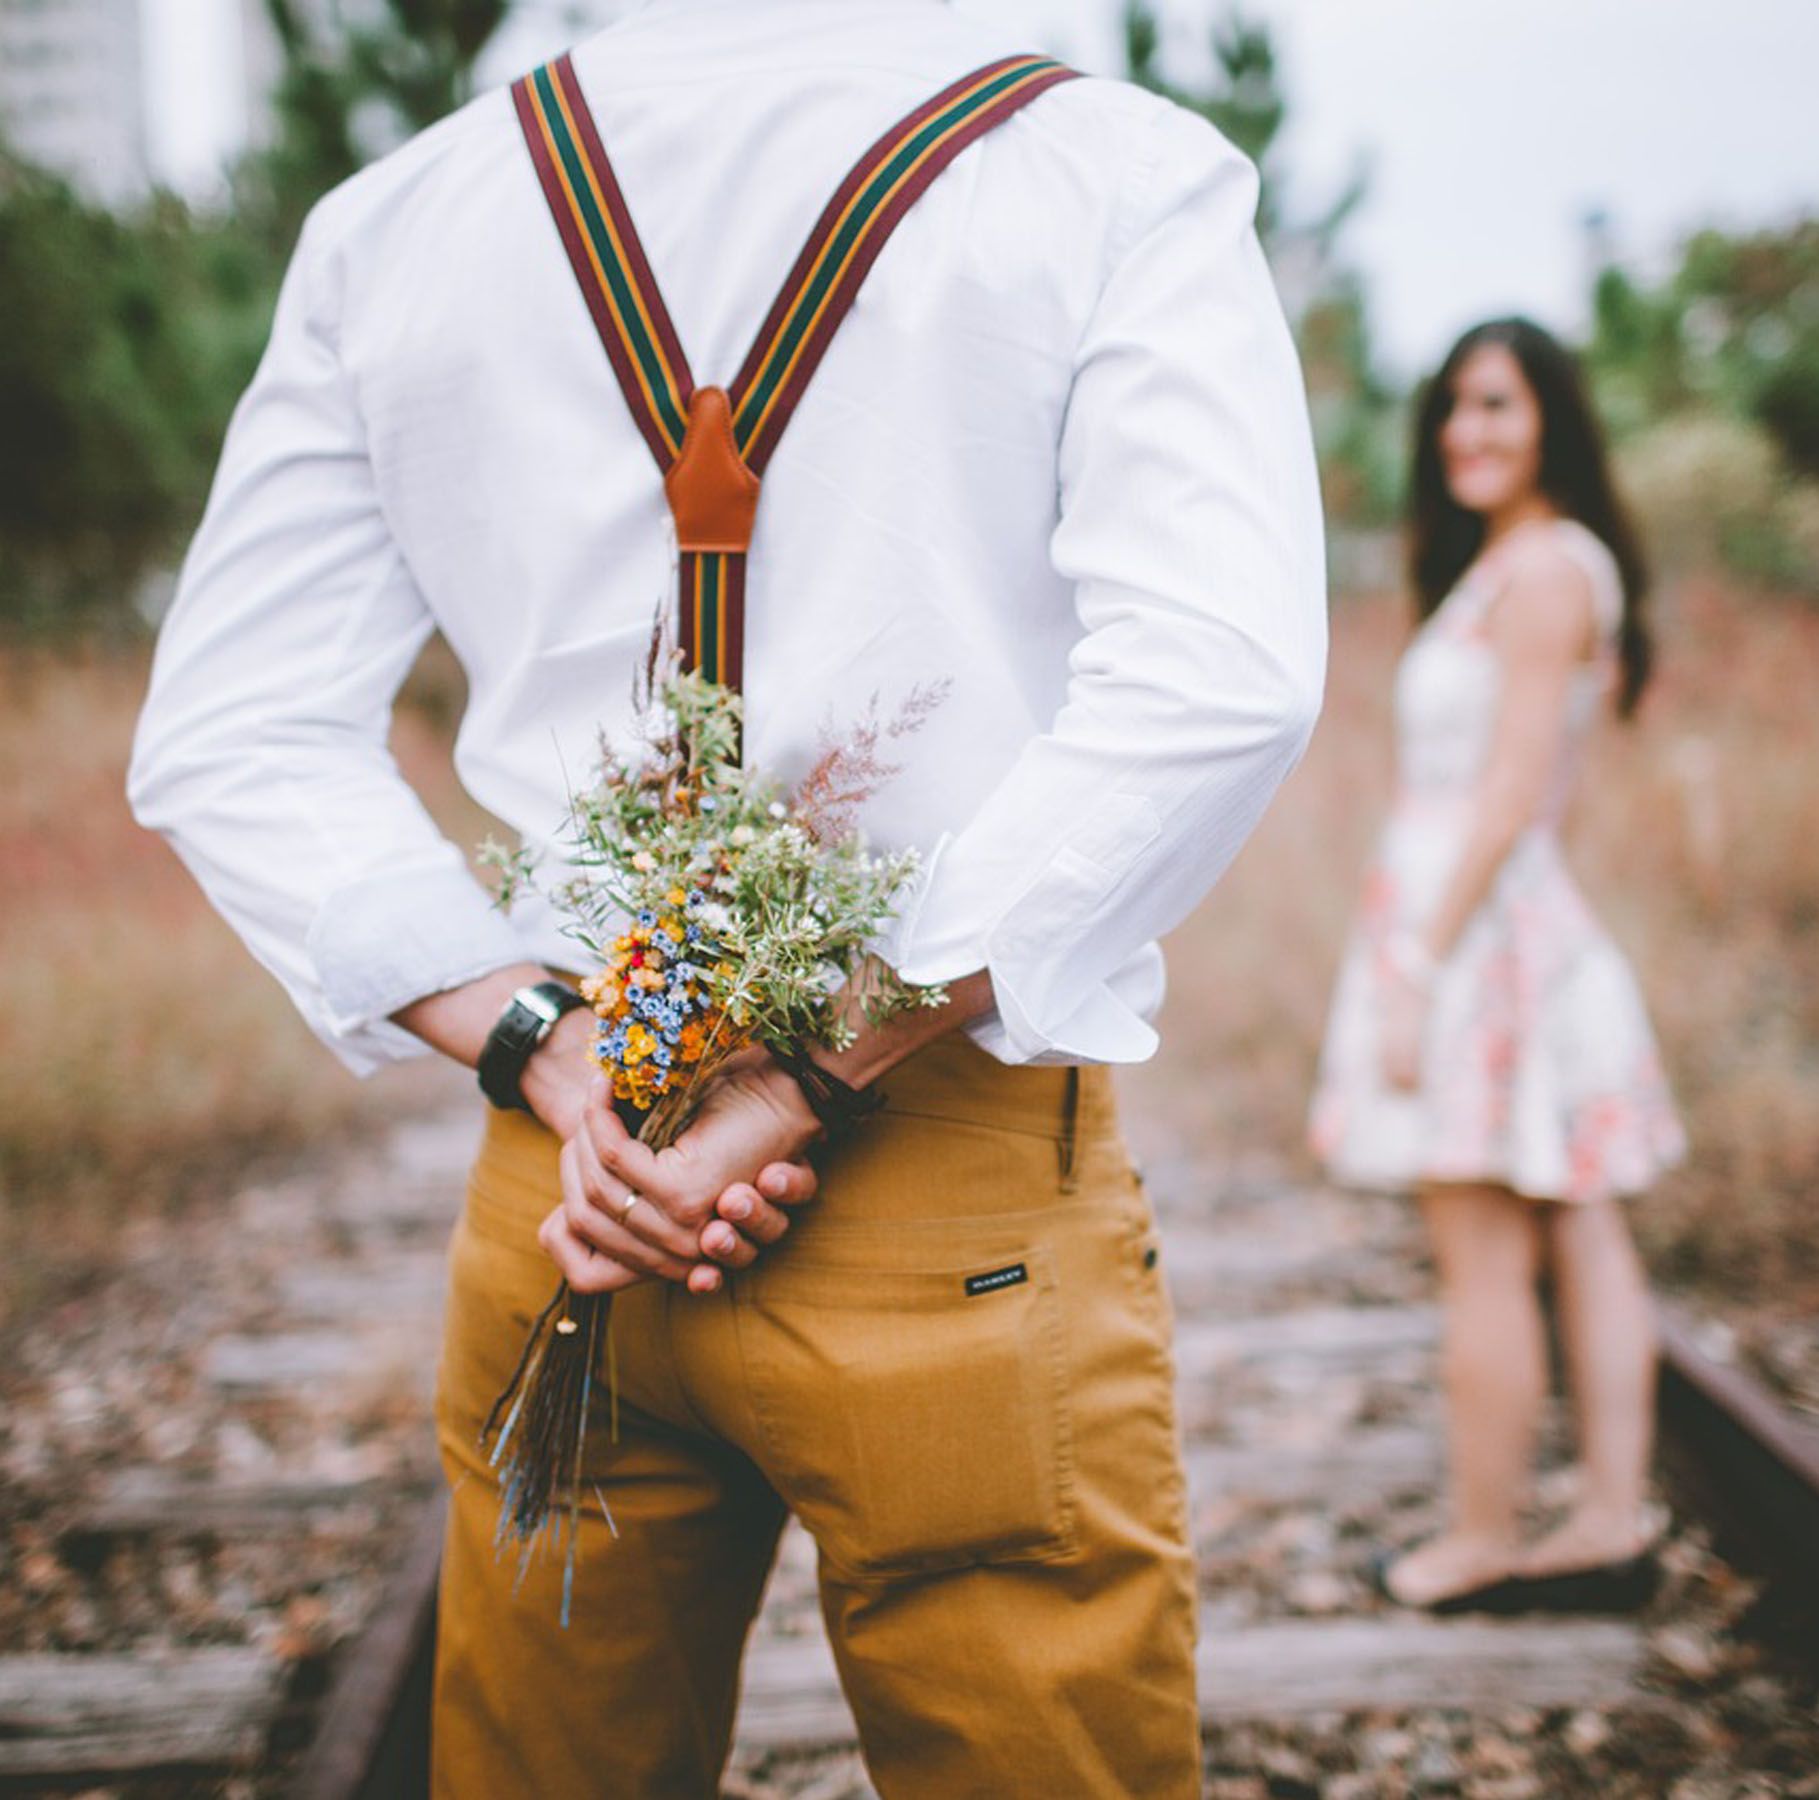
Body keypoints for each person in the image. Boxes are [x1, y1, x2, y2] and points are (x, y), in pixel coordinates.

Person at [128, 0, 1326, 1791]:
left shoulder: (400, 222)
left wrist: (550, 1049)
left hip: (578, 1187)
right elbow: (1219, 679)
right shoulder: (1106, 170)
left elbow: (231, 729)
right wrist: (810, 1067)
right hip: (944, 1180)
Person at [1309, 317, 1687, 1614]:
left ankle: (1483, 1539)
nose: (1466, 433)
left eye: (1497, 405)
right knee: (1579, 1223)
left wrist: (1419, 963)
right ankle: (1605, 1519)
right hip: (1499, 921)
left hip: (1475, 939)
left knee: (1482, 1249)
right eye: (1453, 409)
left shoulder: (1543, 573)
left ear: (1550, 422)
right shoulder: (1526, 565)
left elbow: (1514, 790)